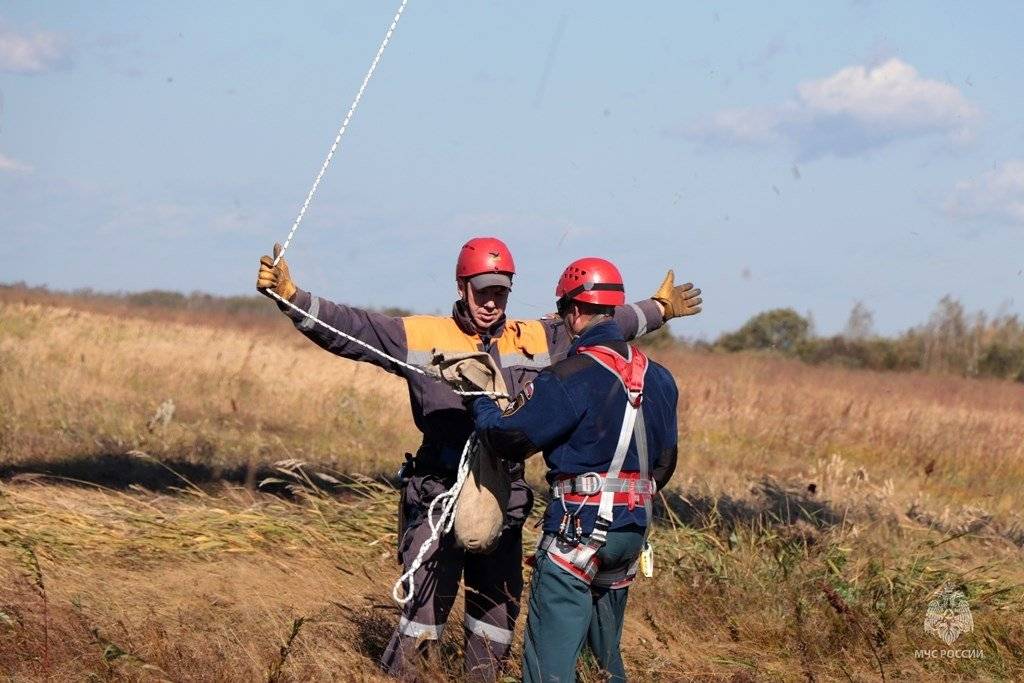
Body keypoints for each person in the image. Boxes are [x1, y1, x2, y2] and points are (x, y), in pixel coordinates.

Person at [256, 239, 699, 681]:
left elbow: (603, 318)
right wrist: (293, 299)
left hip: (504, 495)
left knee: (497, 615)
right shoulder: (423, 335)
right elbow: (354, 329)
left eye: (501, 292)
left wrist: (660, 308)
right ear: (462, 285)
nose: (491, 302)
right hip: (438, 492)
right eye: (483, 291)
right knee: (424, 615)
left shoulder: (537, 337)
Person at [469, 257, 680, 683]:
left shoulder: (568, 376)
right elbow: (665, 463)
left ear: (575, 312)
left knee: (550, 670)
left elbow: (509, 439)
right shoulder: (660, 378)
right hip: (630, 537)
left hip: (576, 535)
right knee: (602, 667)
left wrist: (483, 403)